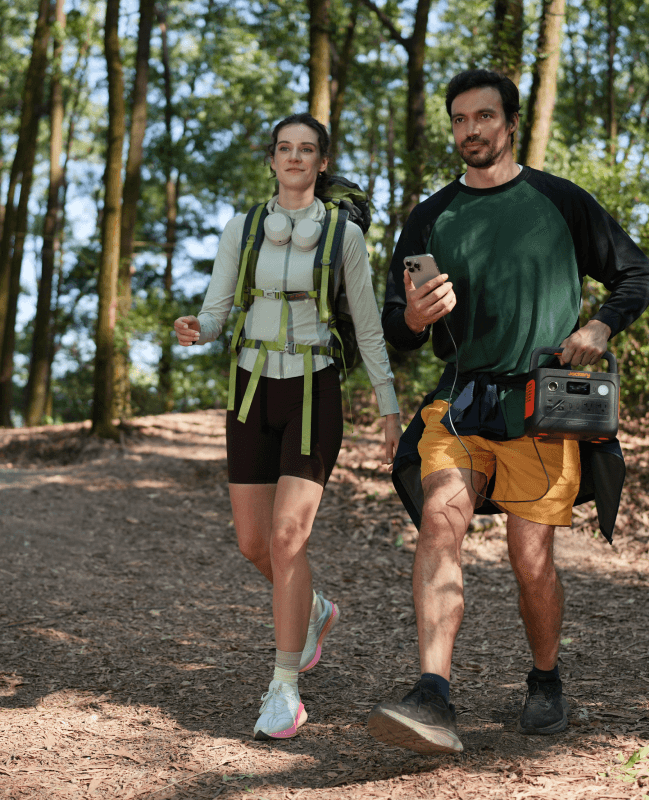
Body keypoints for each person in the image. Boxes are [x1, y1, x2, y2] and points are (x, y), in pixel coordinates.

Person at [367, 69, 649, 754]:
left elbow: (637, 272)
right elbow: (397, 328)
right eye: (460, 119)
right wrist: (411, 317)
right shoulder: (431, 215)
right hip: (459, 402)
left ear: (509, 122)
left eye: (483, 117)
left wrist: (602, 327)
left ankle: (546, 681)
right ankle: (433, 694)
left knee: (532, 562)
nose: (471, 130)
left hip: (542, 405)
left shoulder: (559, 201)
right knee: (440, 525)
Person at [174, 112, 402, 741]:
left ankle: (284, 691)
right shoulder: (242, 228)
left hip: (312, 390)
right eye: (285, 148)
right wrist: (197, 329)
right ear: (271, 159)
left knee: (286, 539)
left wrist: (388, 407)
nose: (295, 157)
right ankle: (316, 610)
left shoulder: (343, 238)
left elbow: (370, 325)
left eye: (308, 150)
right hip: (249, 389)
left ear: (322, 163)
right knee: (253, 543)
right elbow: (217, 311)